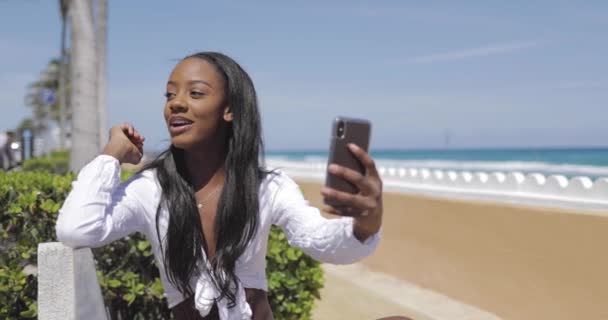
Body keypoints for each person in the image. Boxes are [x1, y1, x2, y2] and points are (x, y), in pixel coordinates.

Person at [56, 52, 384, 320]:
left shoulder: (267, 188)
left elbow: (320, 240)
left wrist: (365, 224)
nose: (176, 103)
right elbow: (77, 229)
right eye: (170, 95)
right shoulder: (151, 189)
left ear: (230, 110)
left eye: (195, 93)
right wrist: (111, 156)